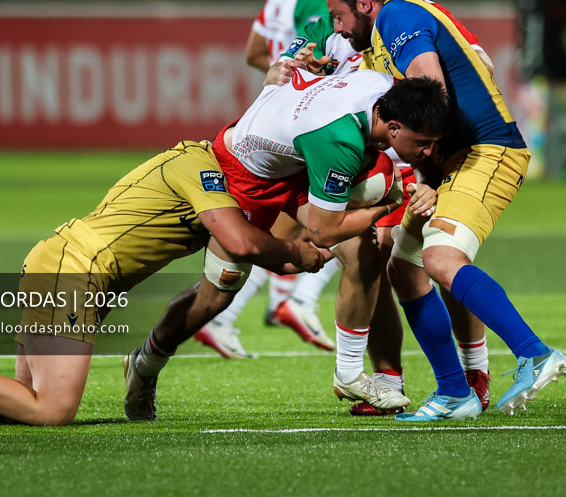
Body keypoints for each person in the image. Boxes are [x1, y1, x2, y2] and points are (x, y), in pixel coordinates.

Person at [0, 141, 329, 427]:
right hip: (74, 268)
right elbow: (243, 243)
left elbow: (287, 237)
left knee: (20, 400)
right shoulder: (197, 163)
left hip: (70, 266)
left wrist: (368, 217)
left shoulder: (226, 187)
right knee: (53, 410)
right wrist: (294, 251)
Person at [329, 0, 566, 420]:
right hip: (447, 162)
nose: (339, 30)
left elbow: (433, 92)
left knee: (441, 259)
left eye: (340, 17)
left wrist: (426, 174)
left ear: (364, 4)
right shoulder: (380, 41)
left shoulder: (395, 16)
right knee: (403, 266)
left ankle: (534, 352)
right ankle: (456, 392)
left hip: (484, 151)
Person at [134, 71, 453, 415]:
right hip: (246, 173)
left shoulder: (383, 87)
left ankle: (348, 372)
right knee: (215, 296)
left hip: (294, 160)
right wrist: (390, 204)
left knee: (365, 249)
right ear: (392, 128)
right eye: (423, 143)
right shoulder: (339, 141)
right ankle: (144, 364)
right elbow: (323, 233)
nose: (428, 151)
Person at [272, 0, 495, 416]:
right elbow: (280, 73)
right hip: (367, 157)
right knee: (375, 255)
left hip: (418, 154)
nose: (336, 18)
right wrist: (303, 69)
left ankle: (473, 368)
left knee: (435, 256)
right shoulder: (333, 33)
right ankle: (388, 378)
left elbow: (478, 65)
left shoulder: (406, 16)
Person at [200, 0, 350, 355]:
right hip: (307, 125)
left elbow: (253, 52)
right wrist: (311, 80)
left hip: (271, 119)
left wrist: (282, 76)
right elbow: (325, 42)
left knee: (277, 227)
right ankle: (289, 302)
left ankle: (252, 309)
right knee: (331, 220)